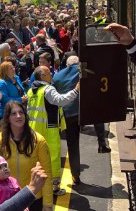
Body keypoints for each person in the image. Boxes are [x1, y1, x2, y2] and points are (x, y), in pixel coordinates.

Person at [0, 102, 54, 211]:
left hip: (34, 198)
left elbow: (46, 173)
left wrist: (47, 205)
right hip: (8, 200)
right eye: (14, 114)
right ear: (8, 118)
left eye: (21, 113)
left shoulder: (39, 140)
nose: (18, 116)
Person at [26, 66, 79, 196]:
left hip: (33, 130)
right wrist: (76, 91)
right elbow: (60, 101)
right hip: (49, 130)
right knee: (53, 158)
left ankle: (38, 186)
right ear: (43, 76)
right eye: (49, 72)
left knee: (37, 158)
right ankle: (54, 187)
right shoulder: (48, 89)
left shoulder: (31, 91)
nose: (52, 74)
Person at [51, 56, 82, 184]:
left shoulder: (57, 76)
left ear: (67, 64)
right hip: (75, 112)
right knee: (73, 144)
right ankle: (75, 174)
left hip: (61, 113)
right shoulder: (80, 71)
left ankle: (53, 176)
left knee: (55, 144)